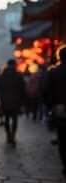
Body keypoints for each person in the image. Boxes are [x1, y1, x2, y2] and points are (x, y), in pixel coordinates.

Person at [42, 45, 66, 175]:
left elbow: (45, 90)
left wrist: (50, 105)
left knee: (62, 136)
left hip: (59, 108)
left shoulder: (53, 72)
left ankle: (65, 164)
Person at [0, 59, 25, 145]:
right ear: (15, 65)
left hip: (5, 101)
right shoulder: (19, 75)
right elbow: (22, 89)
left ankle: (8, 135)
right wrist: (23, 101)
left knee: (7, 119)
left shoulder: (2, 76)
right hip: (16, 101)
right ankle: (13, 135)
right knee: (15, 119)